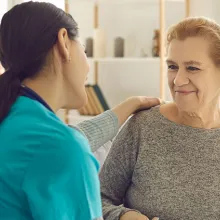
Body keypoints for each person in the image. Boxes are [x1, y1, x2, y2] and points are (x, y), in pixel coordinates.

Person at [0, 2, 161, 220]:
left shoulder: (15, 118)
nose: (87, 66)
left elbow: (72, 137)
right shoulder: (59, 147)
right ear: (63, 42)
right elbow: (63, 146)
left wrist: (131, 104)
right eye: (84, 50)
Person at [100, 16, 220, 220]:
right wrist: (124, 216)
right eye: (172, 66)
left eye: (192, 68)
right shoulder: (143, 126)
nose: (178, 80)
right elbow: (96, 199)